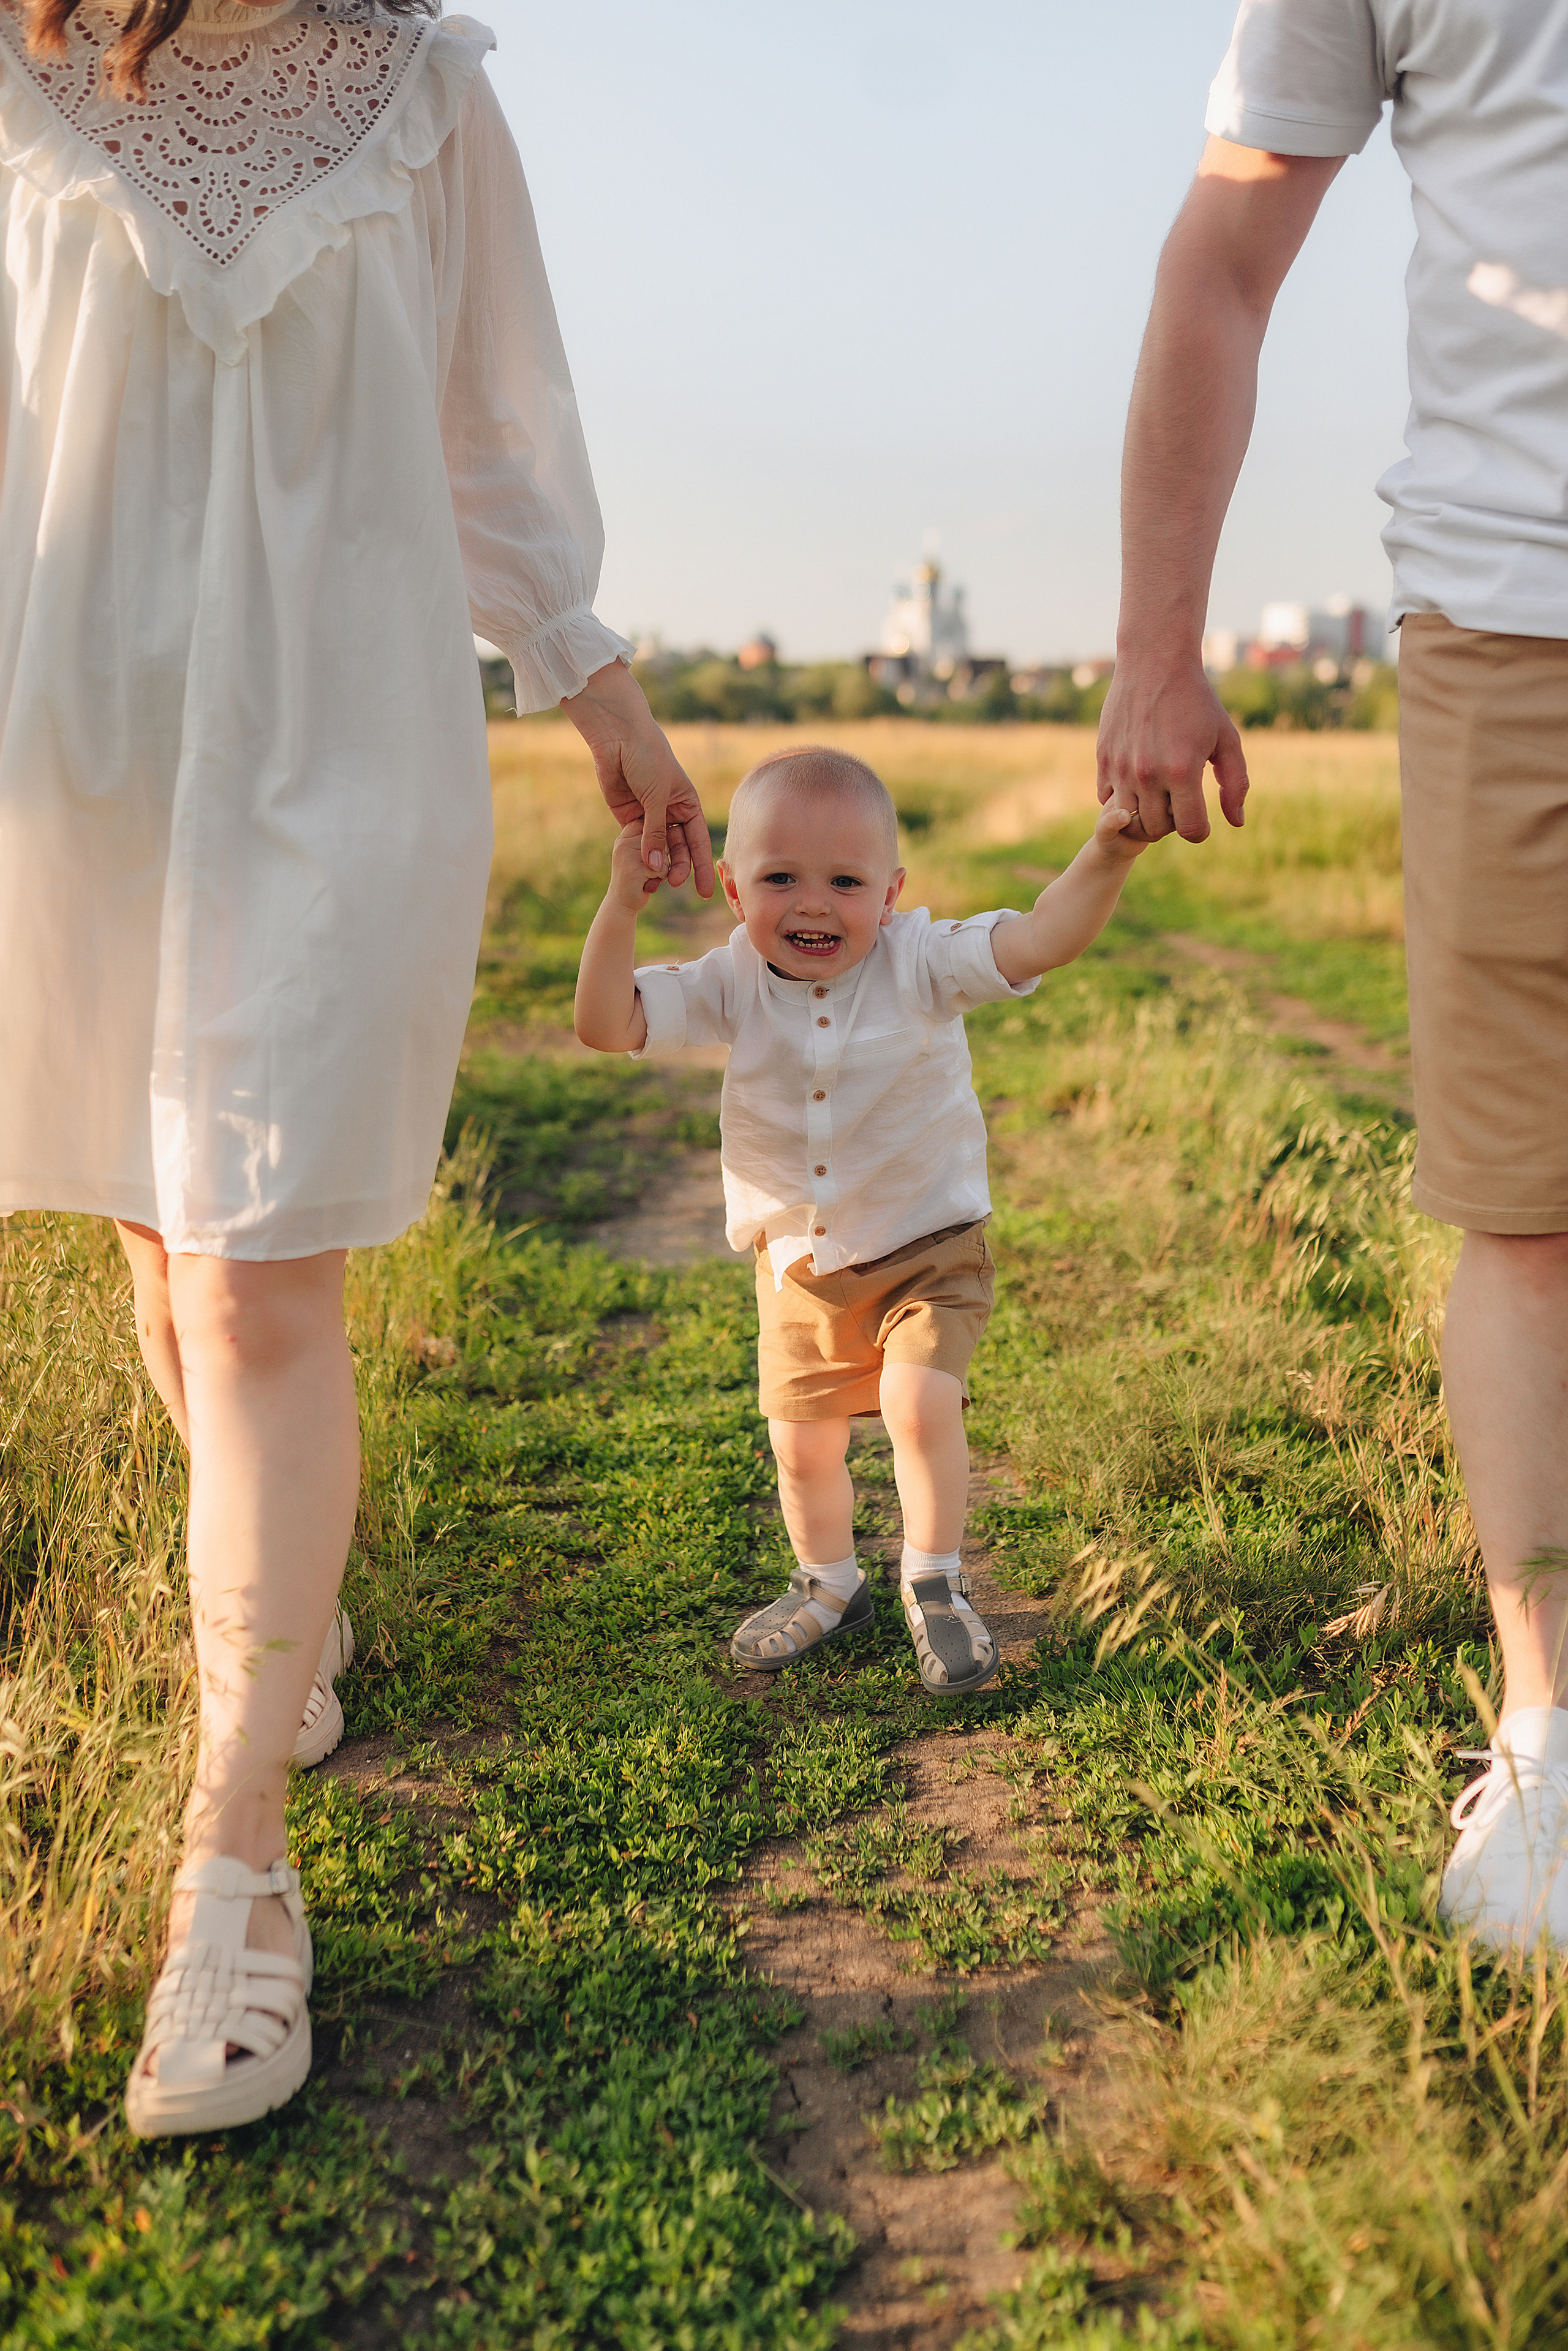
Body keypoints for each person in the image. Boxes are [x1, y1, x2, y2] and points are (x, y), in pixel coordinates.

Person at [0, 0, 710, 2137]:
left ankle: (234, 1865)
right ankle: (275, 1645)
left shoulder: (420, 90)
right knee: (156, 1242)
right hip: (77, 741)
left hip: (345, 743)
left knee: (254, 1273)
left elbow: (497, 434)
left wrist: (604, 695)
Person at [1096, 0, 1568, 1952]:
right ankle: (1550, 1736)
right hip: (1521, 614)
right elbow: (1226, 247)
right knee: (1531, 1213)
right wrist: (1156, 645)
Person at [574, 747, 1147, 1693]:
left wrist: (1109, 853)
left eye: (845, 880)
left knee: (916, 1404)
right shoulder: (731, 981)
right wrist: (621, 905)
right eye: (780, 878)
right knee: (802, 1447)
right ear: (730, 885)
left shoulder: (921, 959)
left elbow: (1040, 939)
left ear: (891, 891)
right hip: (801, 1262)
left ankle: (934, 1579)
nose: (812, 903)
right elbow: (606, 1022)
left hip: (929, 1247)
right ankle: (832, 1585)